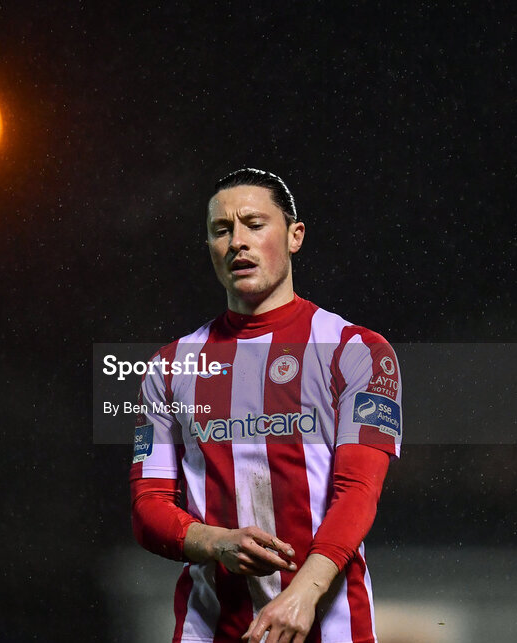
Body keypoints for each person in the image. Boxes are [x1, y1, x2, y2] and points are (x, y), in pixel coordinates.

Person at [130, 168, 402, 643]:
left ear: (295, 236)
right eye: (222, 230)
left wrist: (302, 595)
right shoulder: (168, 367)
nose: (238, 241)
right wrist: (214, 541)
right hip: (209, 629)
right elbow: (148, 507)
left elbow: (358, 491)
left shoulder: (356, 350)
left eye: (254, 224)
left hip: (330, 626)